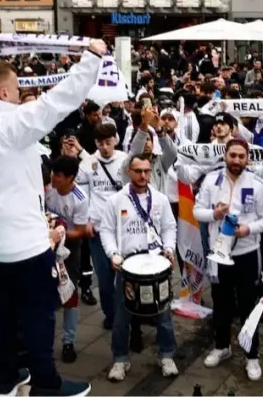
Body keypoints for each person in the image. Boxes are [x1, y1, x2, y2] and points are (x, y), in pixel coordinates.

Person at [0, 33, 104, 397]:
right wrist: (93, 59)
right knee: (38, 315)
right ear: (3, 94)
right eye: (16, 88)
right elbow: (59, 101)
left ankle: (7, 378)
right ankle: (46, 385)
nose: (20, 94)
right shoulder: (11, 126)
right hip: (23, 245)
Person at [194, 139, 263, 381]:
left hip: (247, 255)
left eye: (242, 156)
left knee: (249, 306)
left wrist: (247, 230)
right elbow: (197, 211)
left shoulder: (258, 185)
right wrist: (214, 214)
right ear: (225, 155)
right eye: (233, 155)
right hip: (218, 254)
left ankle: (252, 356)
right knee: (220, 303)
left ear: (247, 158)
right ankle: (222, 347)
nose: (237, 160)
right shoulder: (211, 181)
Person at [100, 154, 179, 381]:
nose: (143, 175)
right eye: (138, 171)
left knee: (163, 316)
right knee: (121, 318)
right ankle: (120, 359)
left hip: (156, 265)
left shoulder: (161, 199)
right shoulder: (116, 200)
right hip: (127, 268)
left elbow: (169, 227)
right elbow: (106, 230)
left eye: (146, 170)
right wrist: (113, 254)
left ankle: (166, 355)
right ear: (129, 172)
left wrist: (169, 249)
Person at [72, 122, 128, 328]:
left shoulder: (125, 161)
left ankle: (132, 316)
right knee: (105, 280)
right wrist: (85, 221)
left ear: (115, 140)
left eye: (108, 142)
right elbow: (80, 194)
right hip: (98, 230)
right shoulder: (87, 164)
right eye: (100, 143)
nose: (104, 147)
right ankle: (111, 314)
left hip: (124, 228)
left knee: (127, 276)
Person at [45, 156, 91, 364]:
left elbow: (80, 232)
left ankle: (68, 341)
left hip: (70, 249)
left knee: (70, 294)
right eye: (53, 174)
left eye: (58, 175)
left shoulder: (79, 198)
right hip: (48, 245)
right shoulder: (49, 193)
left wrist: (60, 231)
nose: (54, 178)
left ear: (70, 178)